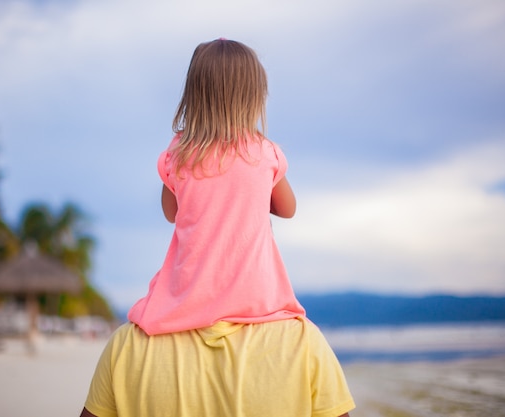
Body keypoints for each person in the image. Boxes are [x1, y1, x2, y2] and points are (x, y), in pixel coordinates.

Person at [80, 38, 355, 417]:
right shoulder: (265, 154)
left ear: (194, 95)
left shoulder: (177, 157)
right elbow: (288, 210)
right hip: (258, 303)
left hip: (181, 303)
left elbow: (170, 212)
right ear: (254, 97)